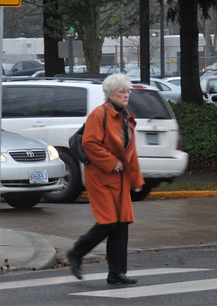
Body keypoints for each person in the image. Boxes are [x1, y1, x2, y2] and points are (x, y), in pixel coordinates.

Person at [67, 73, 144, 284]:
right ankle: (76, 252)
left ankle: (117, 272)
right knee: (108, 222)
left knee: (122, 224)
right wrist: (111, 162)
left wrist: (136, 180)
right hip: (100, 177)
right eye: (122, 91)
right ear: (110, 94)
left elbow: (131, 153)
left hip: (120, 179)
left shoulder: (127, 117)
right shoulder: (98, 115)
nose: (126, 95)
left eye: (128, 91)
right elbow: (90, 144)